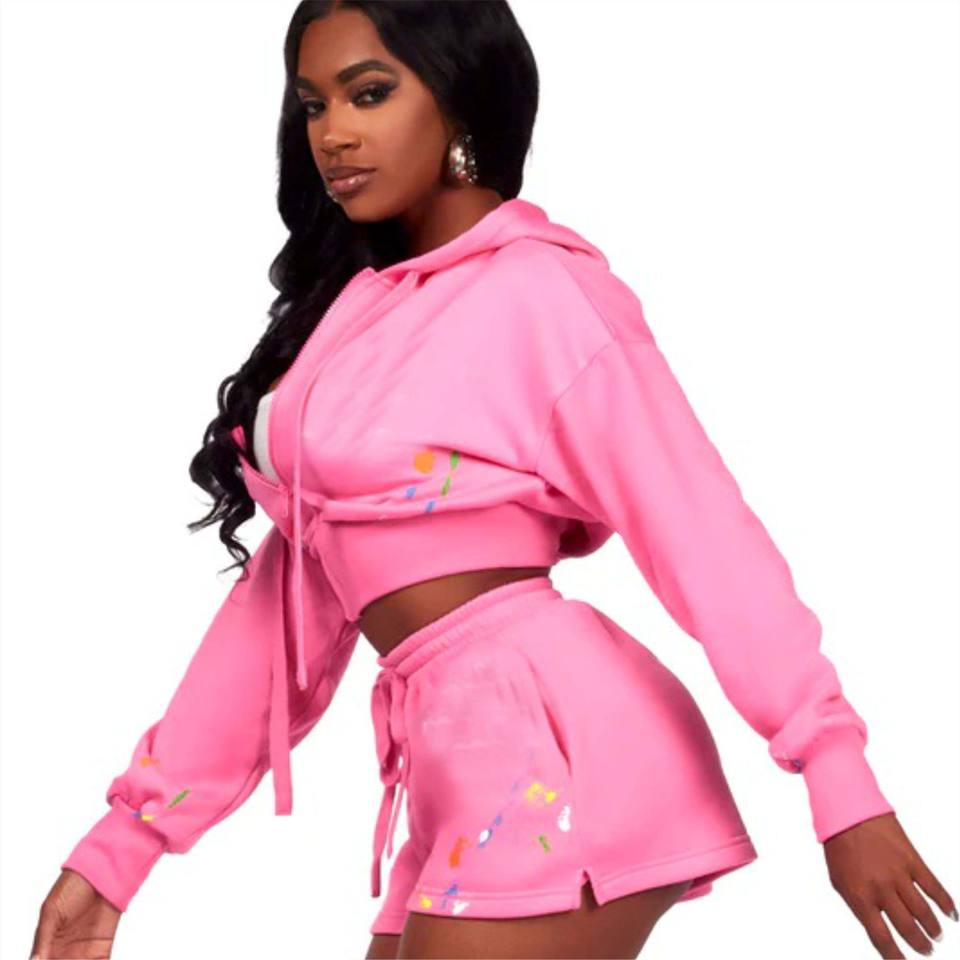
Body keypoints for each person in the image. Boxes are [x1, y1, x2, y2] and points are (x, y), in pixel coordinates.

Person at [31, 2, 957, 959]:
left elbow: (705, 537)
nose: (332, 132)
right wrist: (120, 850)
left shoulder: (543, 293)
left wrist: (840, 781)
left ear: (459, 99)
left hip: (557, 750)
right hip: (453, 767)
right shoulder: (352, 319)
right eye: (313, 105)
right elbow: (283, 616)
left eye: (369, 93)